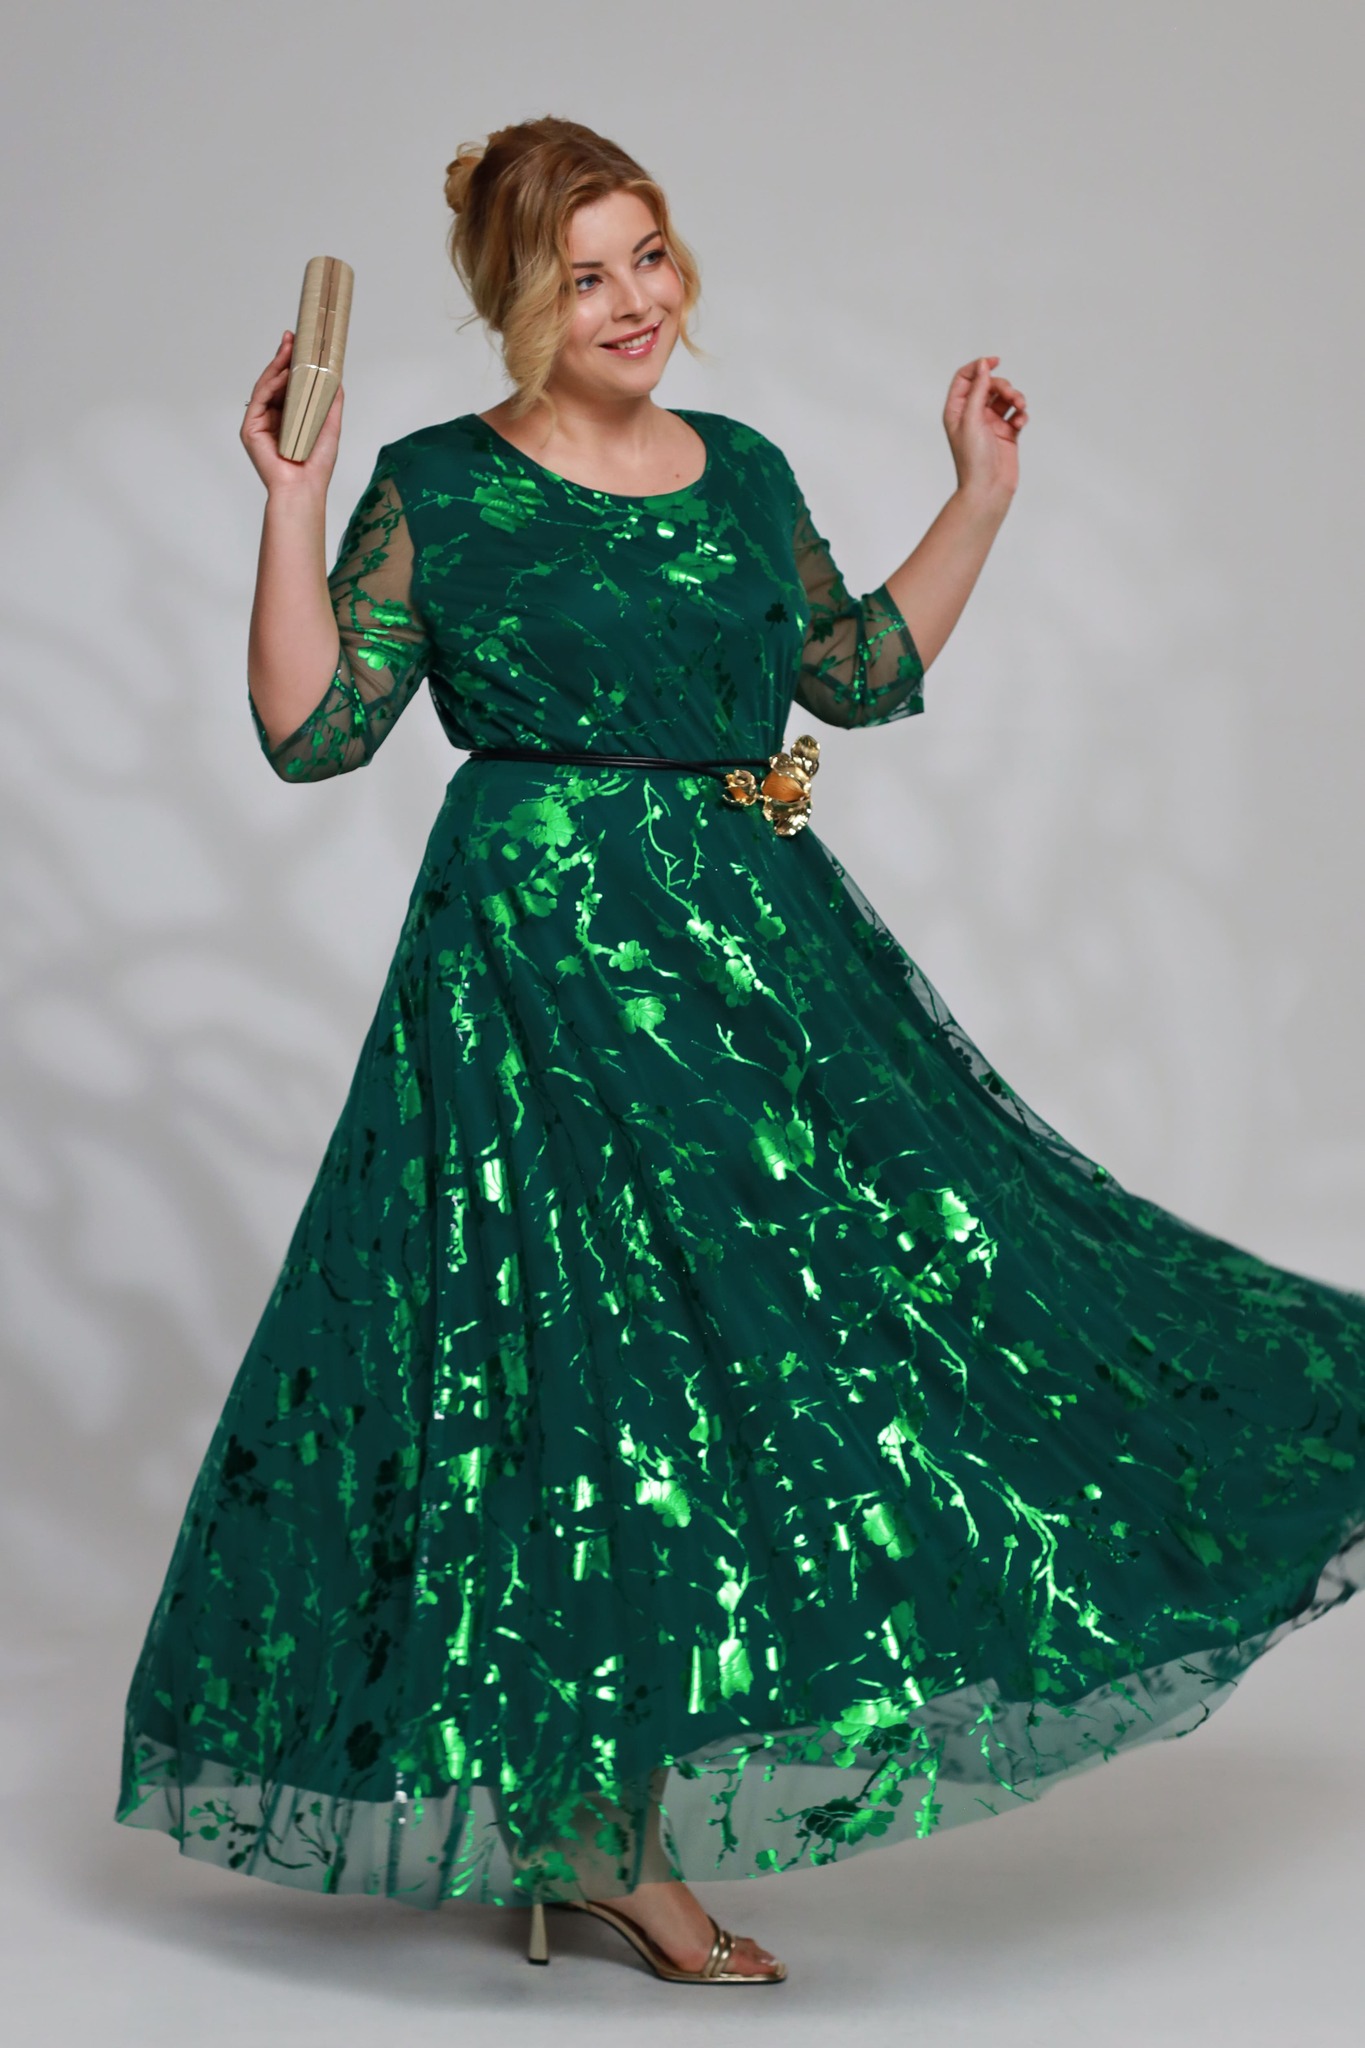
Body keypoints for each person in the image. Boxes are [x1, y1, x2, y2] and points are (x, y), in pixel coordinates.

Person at [116, 115, 1365, 1989]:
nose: (634, 300)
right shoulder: (437, 484)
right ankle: (599, 1841)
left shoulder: (744, 468)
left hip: (745, 955)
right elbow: (313, 734)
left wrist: (978, 494)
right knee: (569, 1379)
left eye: (649, 255)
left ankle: (607, 1817)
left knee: (900, 1304)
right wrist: (290, 503)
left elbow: (849, 677)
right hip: (529, 975)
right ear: (514, 304)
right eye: (583, 276)